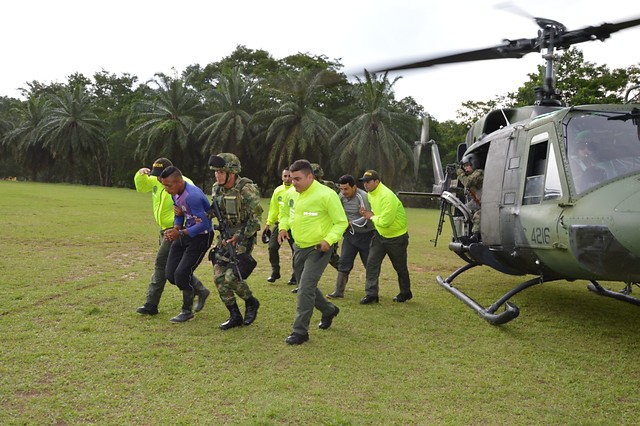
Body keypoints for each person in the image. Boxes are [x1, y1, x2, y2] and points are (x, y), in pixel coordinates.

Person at [278, 160, 348, 345]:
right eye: (292, 179)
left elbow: (341, 222)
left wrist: (328, 240)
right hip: (299, 247)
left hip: (319, 248)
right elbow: (285, 213)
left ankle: (300, 332)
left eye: (298, 179)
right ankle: (328, 310)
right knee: (305, 286)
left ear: (310, 177)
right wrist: (283, 227)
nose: (294, 183)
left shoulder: (326, 195)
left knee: (305, 289)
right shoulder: (291, 193)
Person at [133, 157, 210, 316]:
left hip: (182, 231)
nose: (160, 180)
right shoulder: (159, 182)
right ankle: (200, 290)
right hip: (168, 229)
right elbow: (141, 188)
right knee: (174, 268)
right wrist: (140, 175)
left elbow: (197, 213)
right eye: (157, 176)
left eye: (162, 176)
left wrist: (180, 229)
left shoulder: (184, 185)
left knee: (162, 264)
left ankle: (151, 304)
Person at [209, 153, 262, 330]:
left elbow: (256, 220)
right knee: (218, 278)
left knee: (231, 277)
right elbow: (215, 210)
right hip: (224, 237)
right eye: (216, 172)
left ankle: (251, 302)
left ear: (232, 172)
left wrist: (239, 236)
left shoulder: (246, 189)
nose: (217, 175)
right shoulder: (216, 188)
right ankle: (234, 315)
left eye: (221, 172)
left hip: (243, 237)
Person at [159, 166, 214, 323]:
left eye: (168, 185)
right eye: (164, 185)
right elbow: (179, 214)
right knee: (170, 274)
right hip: (185, 233)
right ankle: (201, 291)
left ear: (179, 181)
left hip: (201, 237)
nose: (166, 189)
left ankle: (186, 310)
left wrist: (180, 233)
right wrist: (176, 227)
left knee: (182, 274)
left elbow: (204, 224)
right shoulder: (175, 194)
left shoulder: (192, 196)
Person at [358, 170, 413, 304]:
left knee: (400, 267)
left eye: (368, 182)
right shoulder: (372, 194)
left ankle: (405, 293)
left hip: (396, 237)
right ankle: (371, 294)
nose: (365, 185)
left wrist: (371, 217)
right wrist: (369, 213)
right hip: (380, 236)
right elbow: (378, 214)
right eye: (364, 182)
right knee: (371, 264)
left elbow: (386, 221)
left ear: (377, 181)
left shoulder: (387, 195)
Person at [326, 174, 374, 299]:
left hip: (366, 235)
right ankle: (338, 292)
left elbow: (366, 218)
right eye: (341, 189)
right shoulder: (340, 196)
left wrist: (350, 223)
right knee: (344, 263)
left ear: (354, 187)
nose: (343, 192)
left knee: (369, 265)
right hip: (350, 235)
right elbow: (336, 212)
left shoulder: (363, 197)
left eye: (346, 189)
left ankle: (371, 294)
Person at [262, 168, 296, 286]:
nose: (287, 178)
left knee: (296, 250)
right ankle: (275, 272)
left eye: (289, 176)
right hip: (279, 224)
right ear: (282, 177)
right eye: (285, 176)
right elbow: (273, 208)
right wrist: (268, 223)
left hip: (293, 225)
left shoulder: (297, 190)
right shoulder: (278, 190)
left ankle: (295, 276)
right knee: (272, 247)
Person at [456, 153, 483, 242]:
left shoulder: (479, 173)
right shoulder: (472, 176)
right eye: (464, 166)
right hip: (477, 203)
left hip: (485, 205)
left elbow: (467, 183)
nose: (465, 168)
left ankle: (475, 237)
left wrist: (459, 173)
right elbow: (467, 191)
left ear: (473, 163)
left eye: (467, 165)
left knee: (478, 215)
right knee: (464, 209)